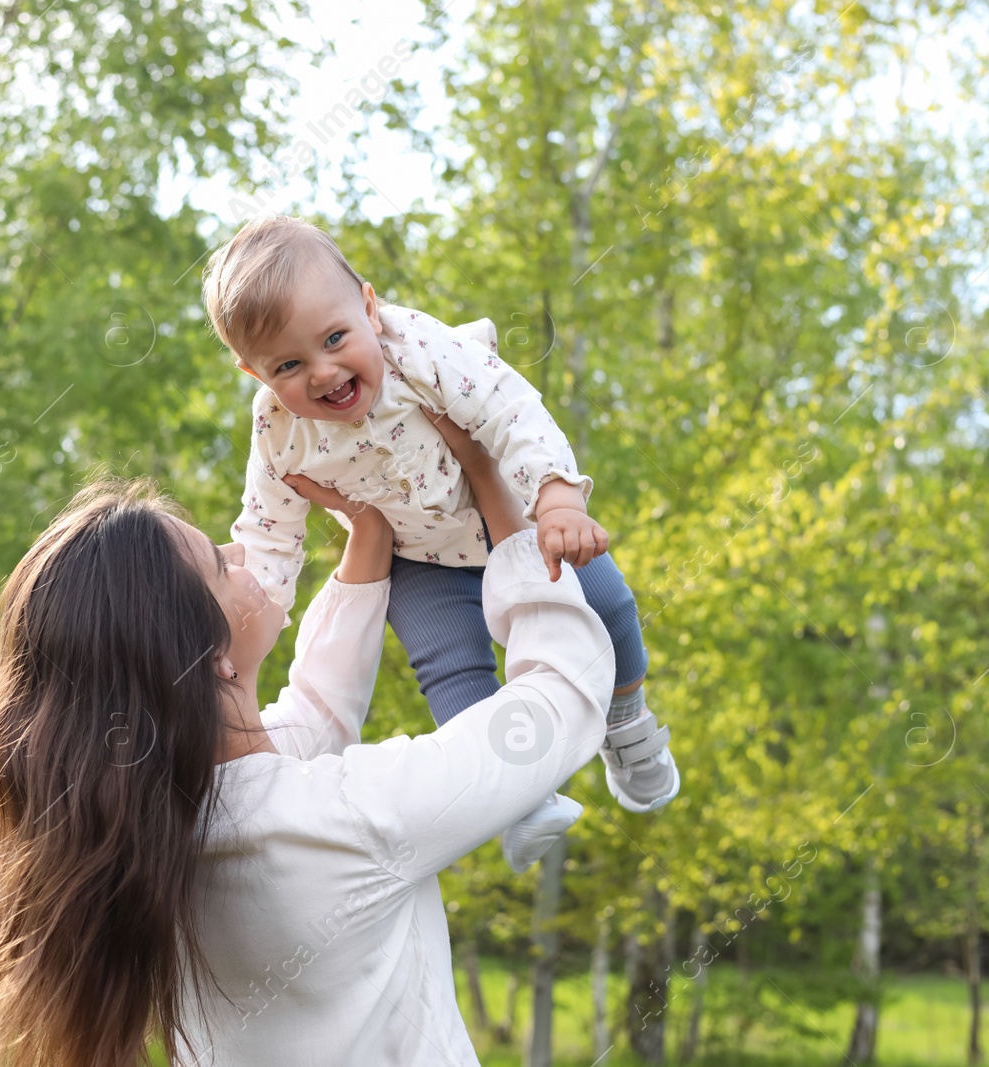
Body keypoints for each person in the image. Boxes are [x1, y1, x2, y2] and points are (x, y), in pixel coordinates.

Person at [0, 416, 615, 1066]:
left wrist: (370, 536)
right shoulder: (343, 820)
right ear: (210, 656)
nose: (240, 553)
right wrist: (507, 512)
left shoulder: (159, 830)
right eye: (218, 562)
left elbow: (313, 717)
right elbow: (561, 694)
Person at [205, 214, 680, 870]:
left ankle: (625, 719)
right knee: (449, 668)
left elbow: (508, 409)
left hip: (511, 509)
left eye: (336, 337)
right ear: (255, 374)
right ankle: (514, 797)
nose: (322, 372)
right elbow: (269, 534)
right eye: (288, 364)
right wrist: (241, 621)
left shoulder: (420, 348)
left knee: (609, 604)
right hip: (417, 557)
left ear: (369, 306)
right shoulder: (278, 432)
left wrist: (557, 497)